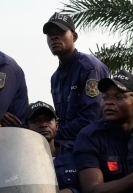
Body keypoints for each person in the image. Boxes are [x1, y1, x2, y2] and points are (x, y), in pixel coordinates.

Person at [43, 12, 109, 151]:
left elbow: (90, 118)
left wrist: (54, 135)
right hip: (69, 146)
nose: (54, 37)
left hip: (96, 146)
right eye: (50, 34)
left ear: (74, 36)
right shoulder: (55, 77)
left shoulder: (89, 67)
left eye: (60, 32)